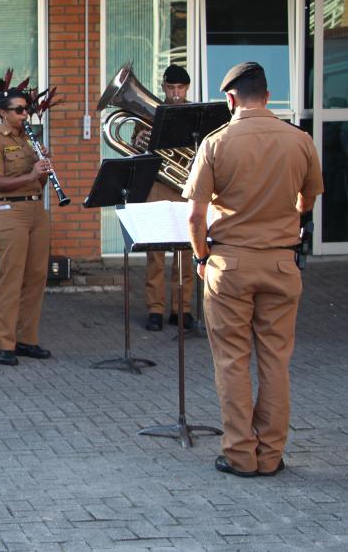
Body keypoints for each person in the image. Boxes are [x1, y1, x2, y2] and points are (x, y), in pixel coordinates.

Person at [184, 62, 323, 477]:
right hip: (282, 262)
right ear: (267, 95)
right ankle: (272, 455)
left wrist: (200, 257)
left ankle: (241, 455)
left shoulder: (216, 141)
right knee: (275, 362)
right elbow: (308, 201)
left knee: (231, 361)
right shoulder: (300, 140)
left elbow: (195, 215)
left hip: (230, 263)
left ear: (230, 98)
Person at [0, 89, 53, 366]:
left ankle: (27, 339)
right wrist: (32, 173)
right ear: (3, 112)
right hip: (10, 211)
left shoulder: (29, 141)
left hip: (36, 210)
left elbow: (39, 182)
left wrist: (43, 171)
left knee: (36, 277)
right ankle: (3, 344)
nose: (26, 114)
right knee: (11, 279)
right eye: (19, 110)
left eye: (27, 109)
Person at [133, 65, 195, 331]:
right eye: (171, 88)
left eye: (180, 88)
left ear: (187, 88)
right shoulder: (149, 113)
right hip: (156, 186)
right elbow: (135, 147)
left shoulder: (196, 114)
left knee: (185, 252)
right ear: (163, 88)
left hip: (185, 189)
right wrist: (140, 141)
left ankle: (182, 309)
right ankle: (155, 309)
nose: (176, 93)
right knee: (155, 253)